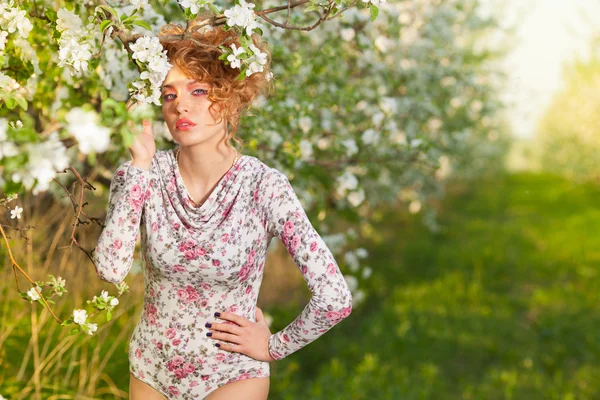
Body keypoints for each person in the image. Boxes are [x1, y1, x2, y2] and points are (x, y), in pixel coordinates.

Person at [92, 17, 353, 400]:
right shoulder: (141, 173)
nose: (181, 104)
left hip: (233, 375)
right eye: (168, 95)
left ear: (230, 97)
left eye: (198, 91)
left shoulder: (265, 187)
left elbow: (335, 298)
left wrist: (273, 347)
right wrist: (140, 166)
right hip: (151, 371)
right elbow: (111, 269)